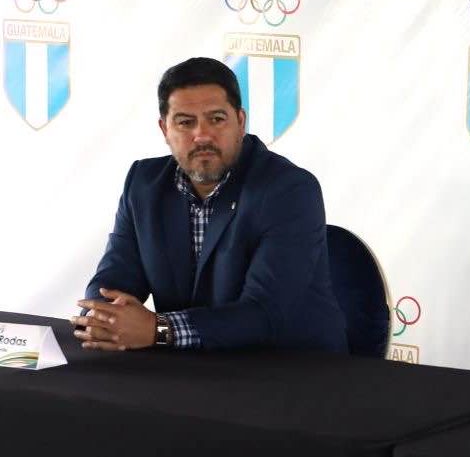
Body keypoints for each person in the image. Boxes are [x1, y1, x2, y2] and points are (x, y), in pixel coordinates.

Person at [71, 57, 347, 352]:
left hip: (289, 366)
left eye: (216, 119)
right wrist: (102, 317)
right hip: (190, 366)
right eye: (185, 122)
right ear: (165, 130)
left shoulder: (289, 190)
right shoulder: (144, 184)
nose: (202, 135)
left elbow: (265, 314)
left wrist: (159, 329)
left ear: (240, 122)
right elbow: (112, 281)